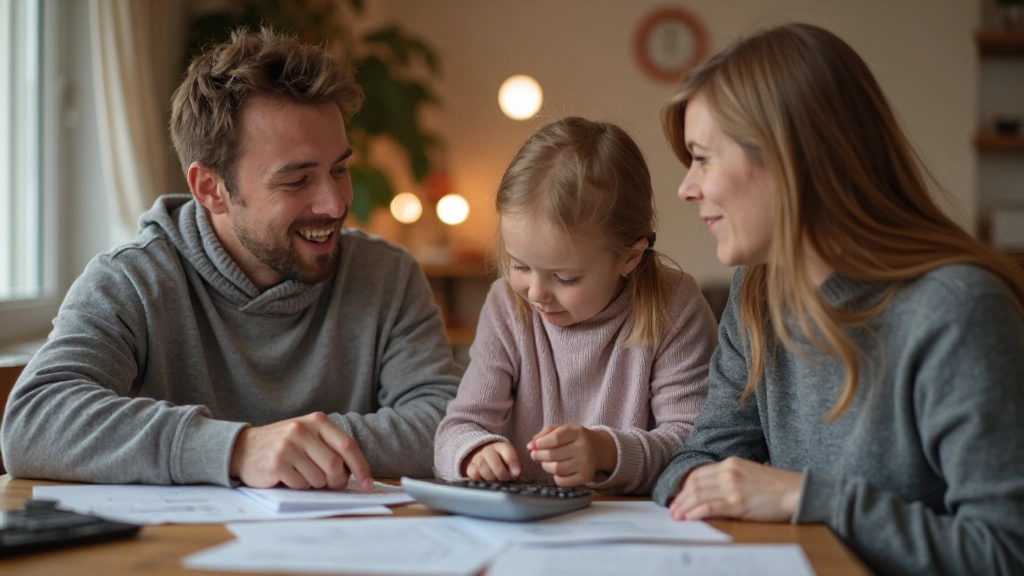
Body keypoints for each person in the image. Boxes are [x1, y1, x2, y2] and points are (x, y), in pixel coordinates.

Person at [0, 28, 462, 491]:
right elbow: (33, 422)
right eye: (297, 180)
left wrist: (296, 447)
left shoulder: (388, 276)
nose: (335, 203)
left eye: (339, 170)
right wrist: (239, 449)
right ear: (210, 189)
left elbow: (447, 424)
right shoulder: (132, 280)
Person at [652, 22, 1024, 575]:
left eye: (703, 158)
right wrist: (706, 485)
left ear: (788, 160)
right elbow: (694, 462)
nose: (686, 188)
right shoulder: (757, 293)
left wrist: (805, 498)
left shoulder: (957, 310)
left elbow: (1005, 553)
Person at [434, 117, 717, 494]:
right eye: (519, 266)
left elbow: (693, 445)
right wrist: (475, 452)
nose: (535, 293)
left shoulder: (674, 306)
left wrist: (607, 452)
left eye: (565, 278)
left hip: (628, 531)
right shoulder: (507, 305)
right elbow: (456, 429)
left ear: (629, 258)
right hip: (525, 531)